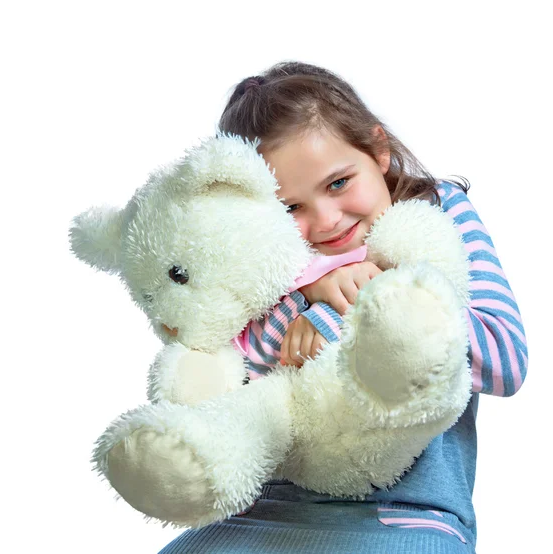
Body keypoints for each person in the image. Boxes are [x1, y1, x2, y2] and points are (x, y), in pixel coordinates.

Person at [159, 61, 528, 554]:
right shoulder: (264, 255)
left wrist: (370, 301)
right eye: (290, 208)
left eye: (337, 183)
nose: (327, 221)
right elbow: (229, 376)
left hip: (406, 515)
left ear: (378, 149)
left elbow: (505, 361)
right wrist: (310, 298)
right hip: (263, 510)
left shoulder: (438, 212)